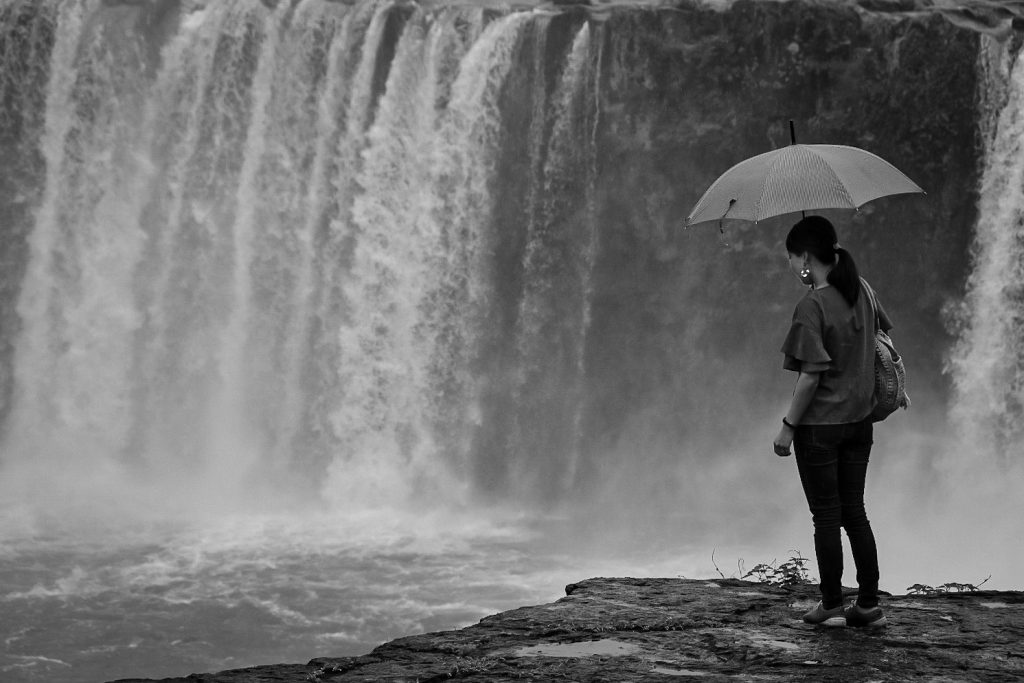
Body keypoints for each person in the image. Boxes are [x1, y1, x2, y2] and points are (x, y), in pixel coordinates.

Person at [772, 215, 889, 628]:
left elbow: (810, 376)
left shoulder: (811, 305)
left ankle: (832, 605)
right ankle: (870, 605)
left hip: (820, 429)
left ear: (805, 256)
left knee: (826, 517)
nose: (789, 265)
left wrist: (788, 426)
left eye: (790, 257)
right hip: (860, 423)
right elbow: (882, 336)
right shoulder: (864, 291)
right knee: (855, 511)